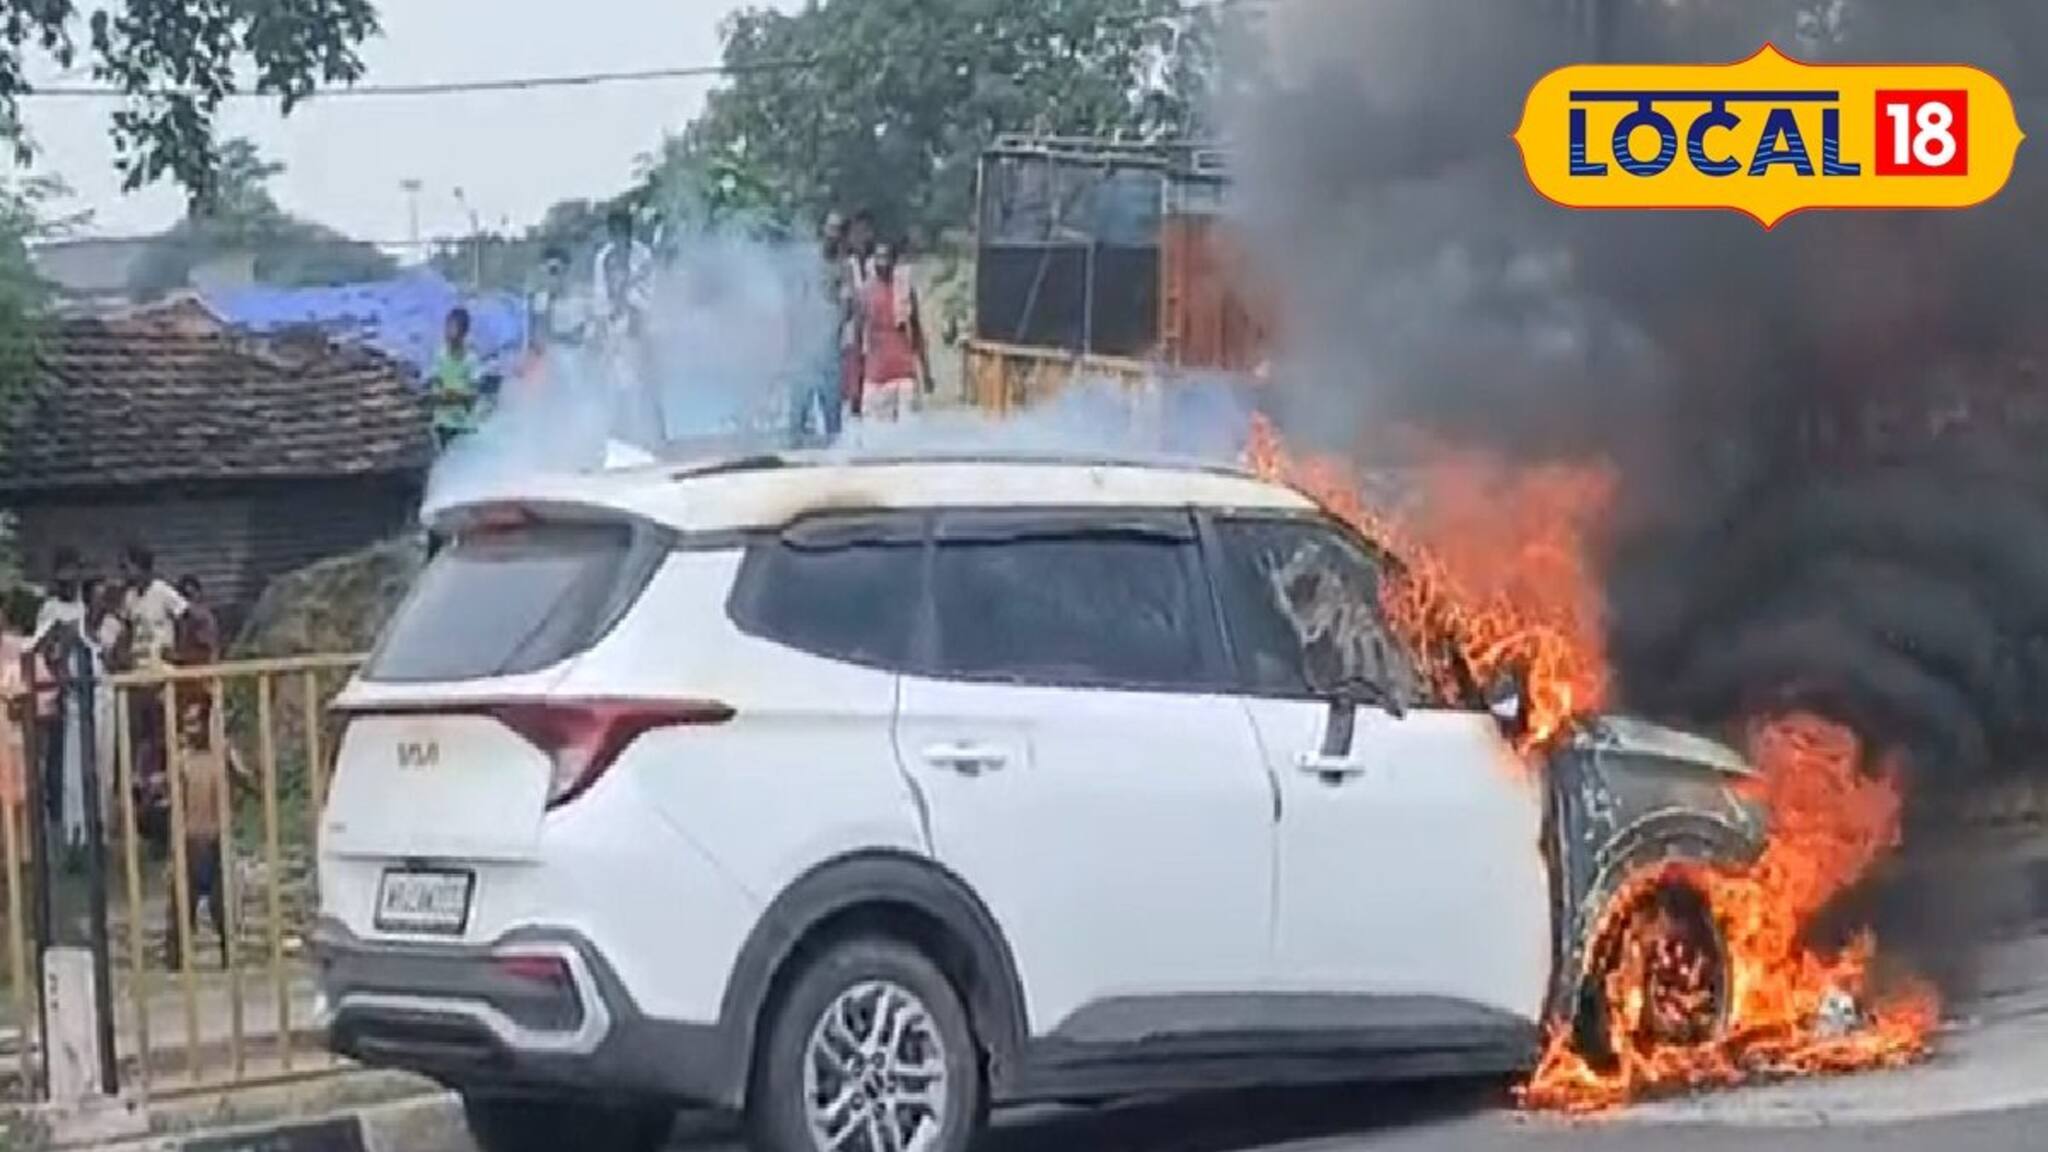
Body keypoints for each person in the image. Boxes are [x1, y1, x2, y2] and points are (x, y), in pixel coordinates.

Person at [163, 699, 244, 971]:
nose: (189, 729)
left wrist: (232, 759)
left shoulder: (222, 756)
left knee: (221, 906)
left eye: (194, 723)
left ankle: (228, 957)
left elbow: (250, 783)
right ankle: (175, 962)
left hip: (216, 838)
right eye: (186, 723)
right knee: (181, 908)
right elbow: (173, 800)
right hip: (189, 840)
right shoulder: (182, 759)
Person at [858, 239, 932, 422]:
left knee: (908, 432)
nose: (882, 262)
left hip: (903, 374)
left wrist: (926, 372)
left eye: (886, 257)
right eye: (878, 257)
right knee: (875, 433)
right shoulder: (865, 292)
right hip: (875, 376)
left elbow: (917, 331)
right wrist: (855, 381)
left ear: (894, 261)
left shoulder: (904, 290)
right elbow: (858, 335)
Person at [429, 307, 484, 451]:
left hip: (464, 424)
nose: (448, 331)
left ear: (463, 331)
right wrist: (439, 394)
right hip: (443, 423)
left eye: (453, 327)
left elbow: (474, 393)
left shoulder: (471, 360)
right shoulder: (439, 356)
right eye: (447, 326)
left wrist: (457, 395)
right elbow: (434, 385)